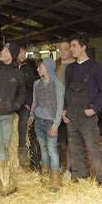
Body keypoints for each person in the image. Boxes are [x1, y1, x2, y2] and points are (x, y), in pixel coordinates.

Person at [62, 35, 102, 186]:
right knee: (75, 147)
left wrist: (93, 109)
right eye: (70, 46)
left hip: (87, 116)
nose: (71, 49)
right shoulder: (70, 69)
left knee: (93, 148)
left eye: (73, 46)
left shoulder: (95, 67)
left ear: (83, 47)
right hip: (72, 115)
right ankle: (80, 176)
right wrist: (64, 109)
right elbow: (67, 91)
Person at [0, 42, 26, 197]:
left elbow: (22, 92)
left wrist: (15, 106)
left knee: (6, 146)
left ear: (12, 55)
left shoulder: (18, 73)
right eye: (2, 49)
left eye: (6, 50)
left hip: (8, 114)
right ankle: (6, 184)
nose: (2, 51)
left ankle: (7, 183)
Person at [28, 58, 65, 192]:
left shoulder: (58, 85)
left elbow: (60, 106)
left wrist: (55, 125)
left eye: (40, 67)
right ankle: (45, 175)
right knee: (43, 148)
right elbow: (34, 102)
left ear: (48, 68)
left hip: (50, 123)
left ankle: (55, 180)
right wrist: (31, 116)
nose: (37, 70)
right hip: (39, 121)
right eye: (38, 67)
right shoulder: (36, 84)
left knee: (52, 151)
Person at [56, 40, 76, 175]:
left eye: (66, 49)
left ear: (71, 50)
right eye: (60, 49)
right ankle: (55, 166)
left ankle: (69, 169)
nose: (63, 52)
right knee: (55, 137)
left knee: (71, 138)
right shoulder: (55, 65)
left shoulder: (75, 66)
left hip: (70, 106)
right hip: (56, 105)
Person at [16, 45, 35, 168]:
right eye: (21, 52)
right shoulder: (9, 66)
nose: (23, 55)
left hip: (23, 103)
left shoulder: (28, 69)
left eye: (25, 53)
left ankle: (22, 149)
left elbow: (31, 89)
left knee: (24, 119)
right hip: (10, 101)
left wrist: (28, 104)